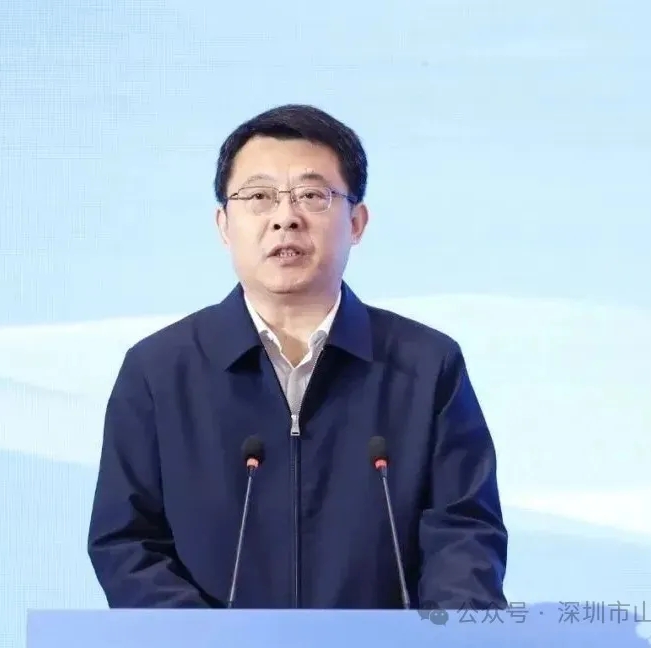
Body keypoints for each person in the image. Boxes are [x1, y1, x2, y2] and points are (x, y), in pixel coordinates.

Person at [87, 104, 508, 609]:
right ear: (224, 225)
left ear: (356, 222)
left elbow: (464, 534)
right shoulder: (158, 372)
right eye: (259, 197)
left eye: (312, 195)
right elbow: (128, 545)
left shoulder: (426, 366)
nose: (285, 218)